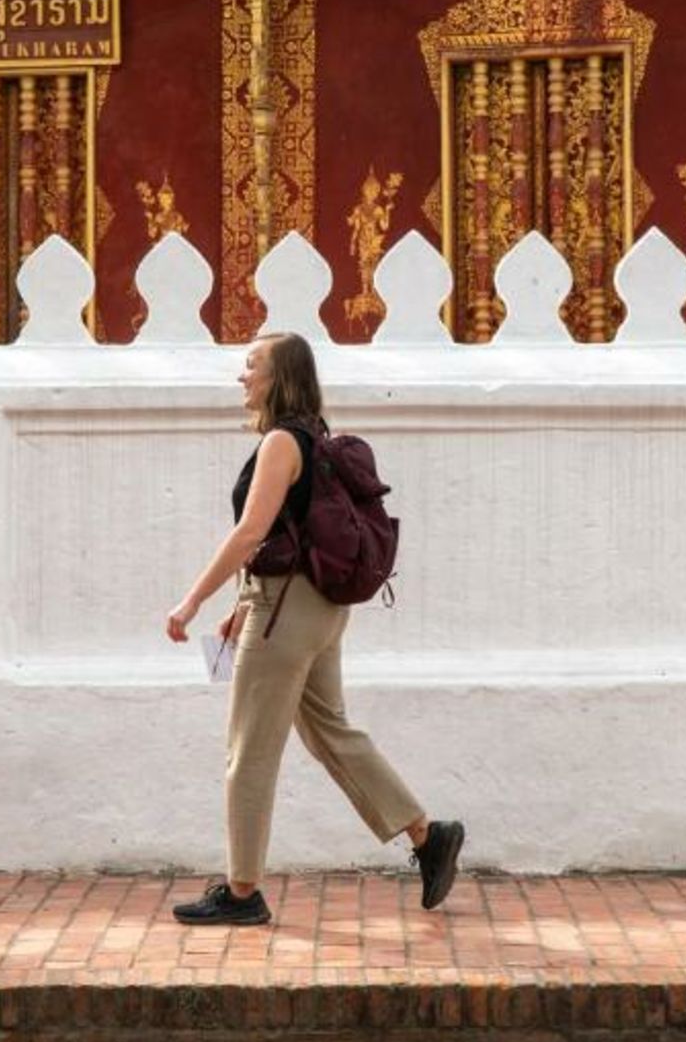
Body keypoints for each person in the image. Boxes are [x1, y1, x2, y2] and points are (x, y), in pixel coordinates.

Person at [163, 332, 464, 926]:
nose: (242, 376)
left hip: (285, 614)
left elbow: (252, 532)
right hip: (315, 610)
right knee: (331, 732)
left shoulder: (282, 441)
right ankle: (428, 836)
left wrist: (192, 600)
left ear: (279, 377)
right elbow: (291, 536)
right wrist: (244, 602)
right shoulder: (315, 436)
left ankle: (243, 893)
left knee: (249, 751)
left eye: (252, 366)